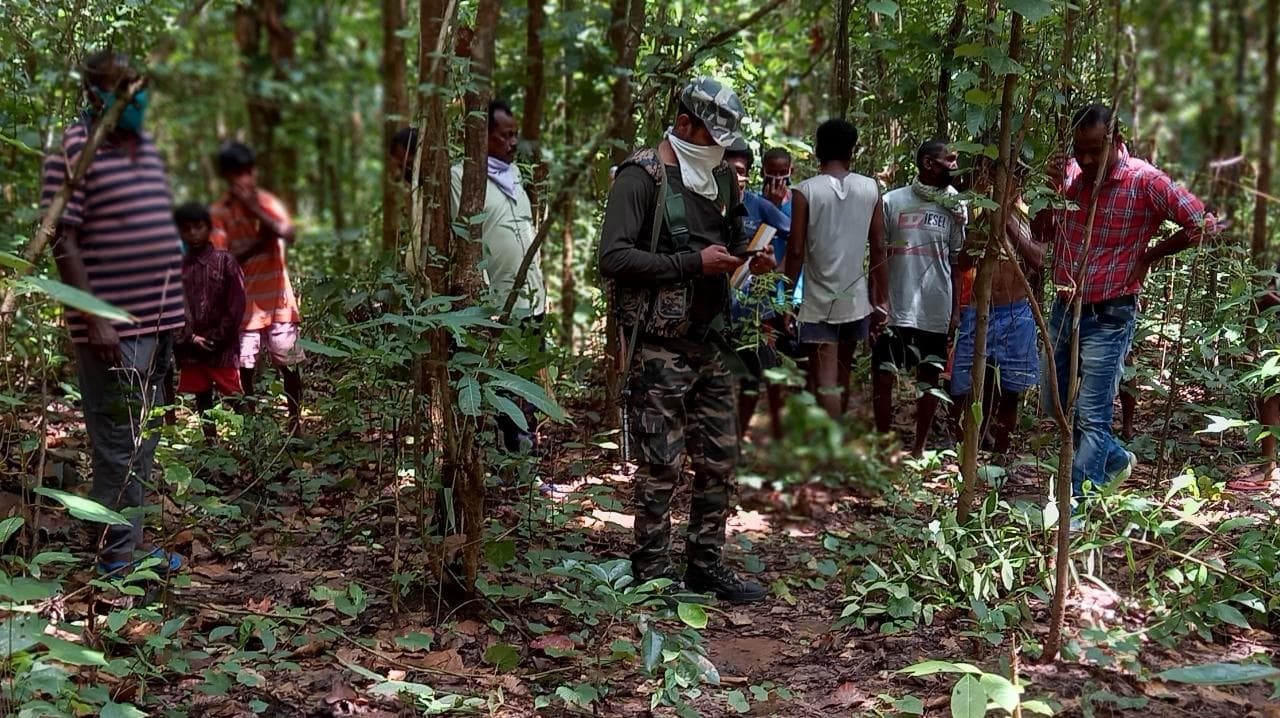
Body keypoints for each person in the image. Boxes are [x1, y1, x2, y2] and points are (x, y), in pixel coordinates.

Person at [598, 77, 772, 603]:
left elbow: (731, 235)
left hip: (711, 340)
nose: (720, 149)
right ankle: (652, 570)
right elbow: (613, 257)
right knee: (661, 463)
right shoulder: (640, 176)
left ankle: (705, 564)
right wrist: (691, 263)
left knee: (719, 457)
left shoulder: (721, 178)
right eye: (712, 137)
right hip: (659, 345)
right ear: (683, 124)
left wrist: (752, 255)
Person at [41, 50, 185, 576]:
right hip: (114, 328)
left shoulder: (146, 148)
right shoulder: (74, 148)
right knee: (118, 443)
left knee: (143, 443)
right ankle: (115, 559)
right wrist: (94, 315)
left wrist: (179, 313)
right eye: (121, 85)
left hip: (158, 323)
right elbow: (62, 237)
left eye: (138, 84)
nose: (135, 95)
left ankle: (131, 546)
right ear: (94, 93)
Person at [1046, 103, 1215, 503]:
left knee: (1092, 414)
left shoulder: (1144, 180)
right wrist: (1051, 191)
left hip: (1110, 312)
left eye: (1095, 151)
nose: (1086, 160)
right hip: (1064, 308)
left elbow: (1203, 224)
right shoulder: (1069, 174)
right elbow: (1044, 231)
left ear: (1115, 140)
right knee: (1054, 403)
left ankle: (1079, 504)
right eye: (1079, 151)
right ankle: (1116, 458)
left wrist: (1149, 256)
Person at [448, 99, 548, 452]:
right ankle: (511, 455)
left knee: (528, 384)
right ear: (481, 136)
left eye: (514, 135)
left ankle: (526, 455)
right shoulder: (461, 178)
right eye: (503, 136)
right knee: (504, 388)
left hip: (533, 301)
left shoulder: (515, 174)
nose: (512, 143)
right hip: (498, 307)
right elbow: (463, 242)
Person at [783, 119, 887, 420]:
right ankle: (836, 435)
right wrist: (882, 300)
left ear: (818, 150)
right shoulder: (870, 188)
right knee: (842, 374)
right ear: (851, 150)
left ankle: (831, 443)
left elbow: (796, 251)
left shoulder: (805, 191)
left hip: (818, 304)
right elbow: (879, 246)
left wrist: (785, 300)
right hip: (855, 302)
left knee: (825, 380)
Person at [873, 139, 966, 457]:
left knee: (929, 376)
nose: (955, 166)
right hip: (895, 307)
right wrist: (878, 302)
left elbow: (956, 262)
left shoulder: (956, 206)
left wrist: (955, 311)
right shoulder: (892, 201)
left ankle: (919, 448)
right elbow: (878, 257)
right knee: (883, 374)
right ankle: (882, 446)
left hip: (934, 308)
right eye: (949, 160)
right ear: (928, 163)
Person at [950, 151, 1045, 454]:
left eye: (1014, 175)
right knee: (967, 385)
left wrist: (1005, 222)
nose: (1005, 181)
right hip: (980, 311)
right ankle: (968, 448)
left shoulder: (1032, 213)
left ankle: (1001, 453)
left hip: (1016, 312)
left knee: (1012, 389)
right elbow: (963, 261)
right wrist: (985, 222)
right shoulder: (979, 209)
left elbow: (1038, 260)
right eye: (997, 173)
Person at [210, 142, 305, 433]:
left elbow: (288, 233)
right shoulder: (219, 212)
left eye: (248, 172)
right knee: (245, 369)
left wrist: (254, 209)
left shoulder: (267, 202)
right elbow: (222, 260)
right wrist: (261, 241)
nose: (245, 179)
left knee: (290, 365)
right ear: (226, 176)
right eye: (238, 173)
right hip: (243, 306)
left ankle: (294, 427)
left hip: (278, 303)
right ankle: (251, 430)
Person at [724, 139, 791, 440]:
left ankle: (745, 438)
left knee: (758, 374)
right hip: (715, 310)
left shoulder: (758, 205)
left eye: (741, 171)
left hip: (754, 310)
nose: (735, 177)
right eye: (729, 170)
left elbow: (794, 232)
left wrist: (778, 271)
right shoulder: (703, 203)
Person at [173, 202, 246, 442]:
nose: (193, 234)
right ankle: (210, 442)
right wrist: (190, 337)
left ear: (208, 228)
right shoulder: (178, 268)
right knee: (202, 396)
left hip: (221, 347)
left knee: (234, 395)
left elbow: (236, 305)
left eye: (198, 227)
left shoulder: (225, 262)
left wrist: (217, 337)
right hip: (191, 347)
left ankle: (252, 441)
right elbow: (173, 306)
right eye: (186, 229)